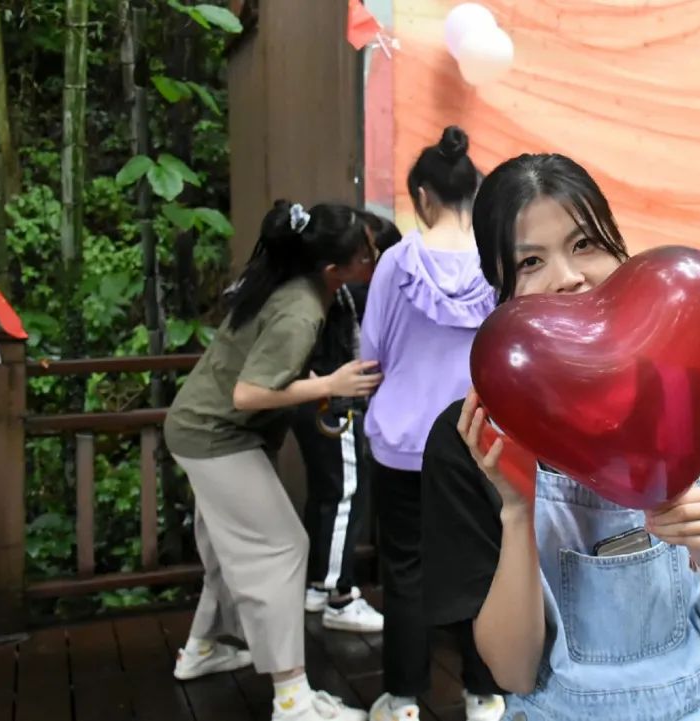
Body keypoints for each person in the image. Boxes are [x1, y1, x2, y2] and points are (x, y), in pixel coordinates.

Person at [420, 153, 700, 721]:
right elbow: (512, 672)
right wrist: (517, 510)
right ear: (499, 289)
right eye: (530, 261)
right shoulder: (474, 439)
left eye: (585, 244)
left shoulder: (695, 404)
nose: (568, 277)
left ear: (620, 249)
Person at [164, 200, 383, 721]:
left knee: (228, 552)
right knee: (284, 547)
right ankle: (292, 699)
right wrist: (329, 385)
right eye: (365, 254)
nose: (372, 259)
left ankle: (202, 649)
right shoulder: (300, 310)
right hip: (215, 436)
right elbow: (247, 394)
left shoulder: (291, 284)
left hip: (202, 429)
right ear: (333, 269)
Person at [359, 126, 501, 721]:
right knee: (483, 564)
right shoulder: (497, 262)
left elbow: (371, 353)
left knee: (406, 570)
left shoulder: (396, 263)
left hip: (401, 442)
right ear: (476, 190)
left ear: (422, 196)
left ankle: (402, 700)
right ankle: (484, 694)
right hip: (478, 441)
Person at [296, 214, 400, 633]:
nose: (368, 262)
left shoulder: (314, 288)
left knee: (327, 495)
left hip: (314, 401)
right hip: (333, 404)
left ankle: (318, 584)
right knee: (344, 495)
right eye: (363, 254)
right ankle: (339, 594)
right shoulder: (350, 290)